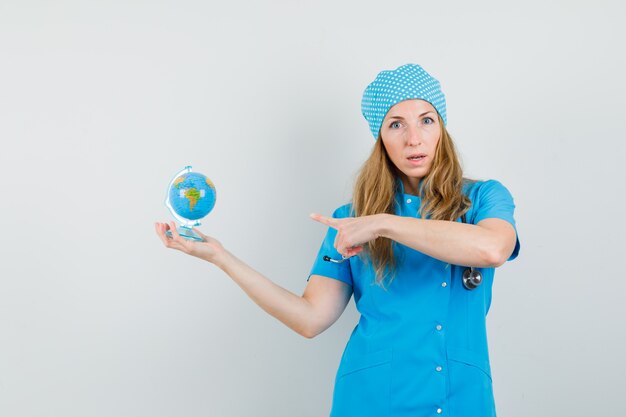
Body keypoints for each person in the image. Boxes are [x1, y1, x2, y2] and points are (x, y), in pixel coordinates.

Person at [155, 63, 520, 417]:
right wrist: (222, 257)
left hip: (461, 399)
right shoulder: (349, 221)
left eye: (426, 120)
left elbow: (492, 248)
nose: (414, 138)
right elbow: (310, 318)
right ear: (381, 139)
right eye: (396, 124)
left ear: (441, 127)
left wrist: (382, 224)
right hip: (370, 401)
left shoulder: (483, 199)